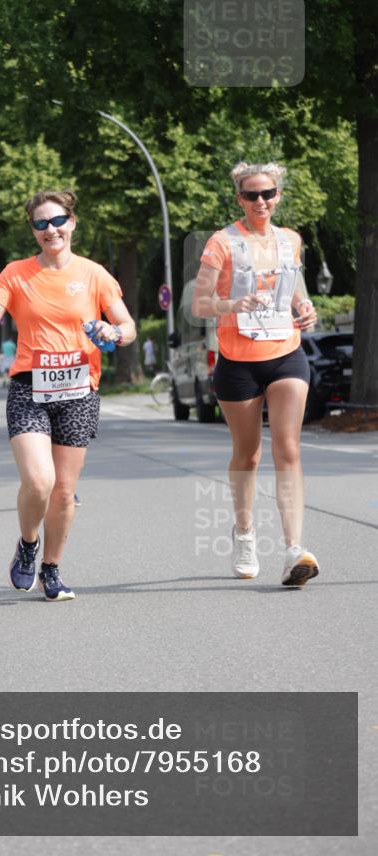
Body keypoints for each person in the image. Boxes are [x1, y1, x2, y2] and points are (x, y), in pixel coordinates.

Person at [0, 189, 136, 602]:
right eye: (41, 224)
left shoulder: (94, 274)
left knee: (63, 491)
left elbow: (128, 327)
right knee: (39, 480)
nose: (51, 229)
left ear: (72, 223)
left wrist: (114, 331)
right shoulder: (16, 274)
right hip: (30, 388)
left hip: (79, 391)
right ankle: (28, 544)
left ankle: (51, 569)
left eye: (58, 220)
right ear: (33, 230)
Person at [192, 162, 319, 588]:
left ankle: (293, 549)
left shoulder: (290, 241)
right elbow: (199, 304)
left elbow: (295, 288)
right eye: (251, 195)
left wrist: (305, 308)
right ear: (239, 199)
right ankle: (244, 533)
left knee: (289, 449)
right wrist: (232, 305)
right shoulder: (222, 243)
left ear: (278, 195)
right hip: (238, 361)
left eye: (267, 193)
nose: (260, 201)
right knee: (248, 455)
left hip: (286, 354)